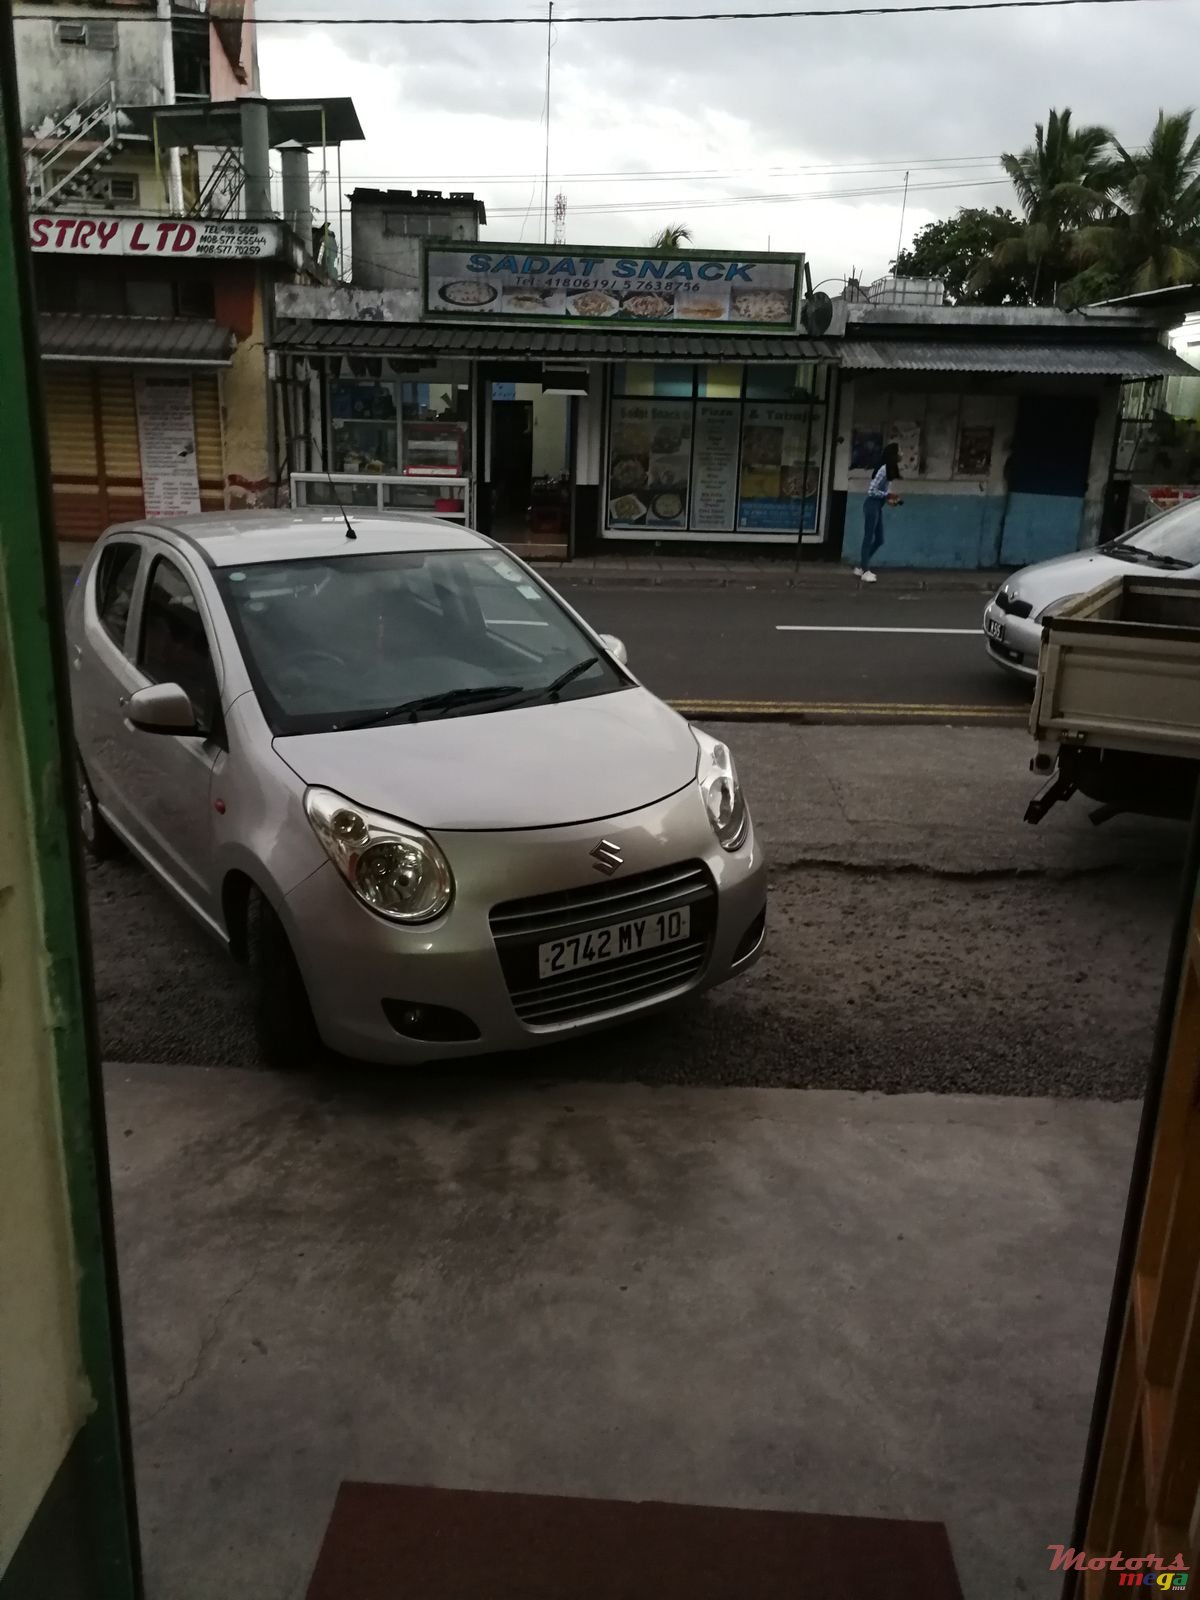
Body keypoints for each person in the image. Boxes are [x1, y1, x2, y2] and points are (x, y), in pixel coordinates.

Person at [855, 443, 902, 582]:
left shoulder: (891, 469)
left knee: (879, 539)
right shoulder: (884, 469)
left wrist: (891, 500)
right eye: (900, 451)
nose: (902, 454)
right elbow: (871, 491)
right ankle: (865, 571)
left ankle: (861, 566)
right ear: (894, 454)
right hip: (871, 505)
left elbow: (884, 492)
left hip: (877, 506)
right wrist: (887, 495)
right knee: (868, 537)